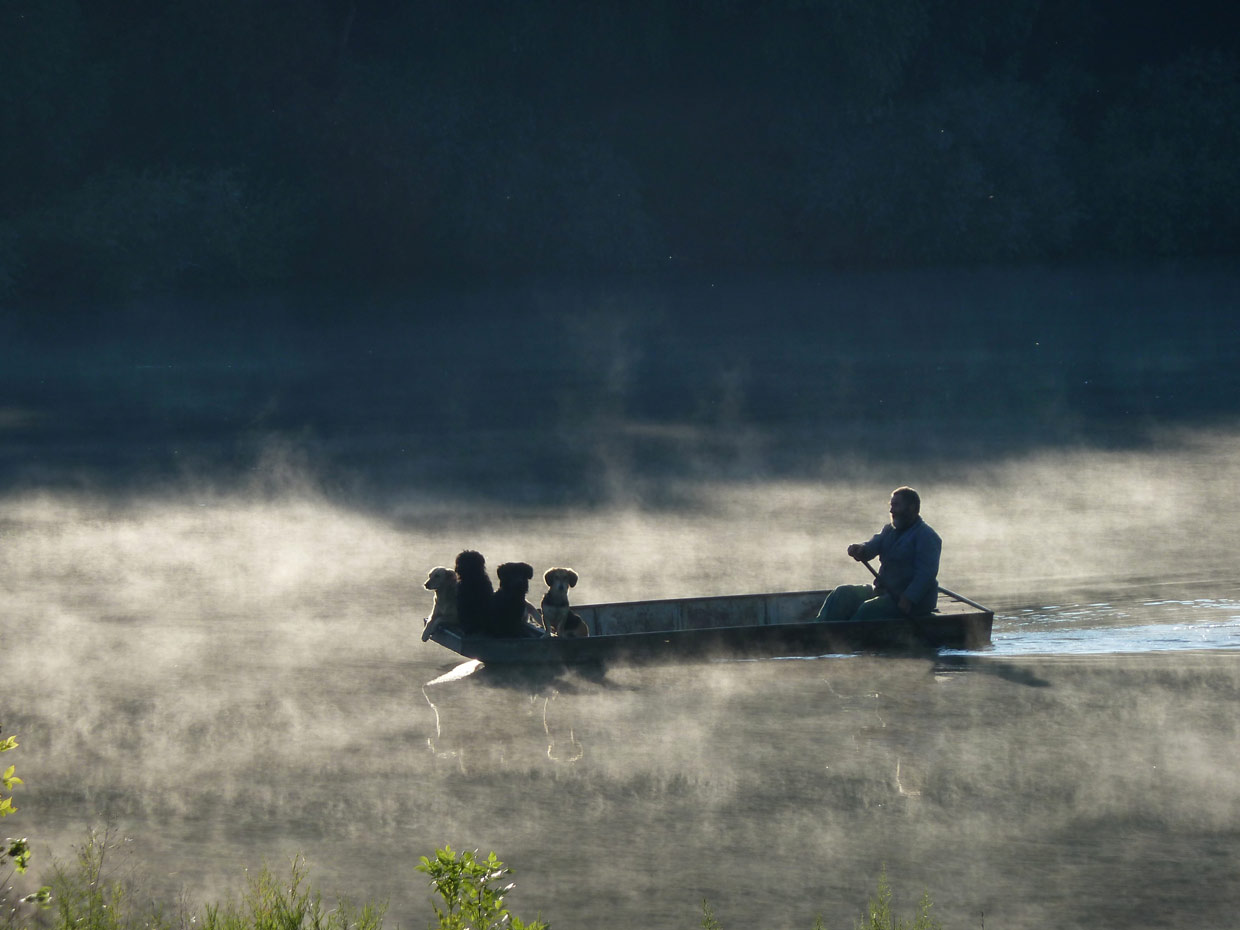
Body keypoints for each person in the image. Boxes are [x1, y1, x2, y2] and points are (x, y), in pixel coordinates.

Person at [815, 487, 941, 622]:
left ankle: (848, 638)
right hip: (884, 592)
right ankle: (819, 631)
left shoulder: (927, 536)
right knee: (841, 594)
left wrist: (909, 598)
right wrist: (861, 549)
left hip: (910, 602)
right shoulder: (889, 530)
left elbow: (926, 574)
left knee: (868, 610)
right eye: (891, 505)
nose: (891, 510)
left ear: (911, 507)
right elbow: (872, 546)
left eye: (896, 505)